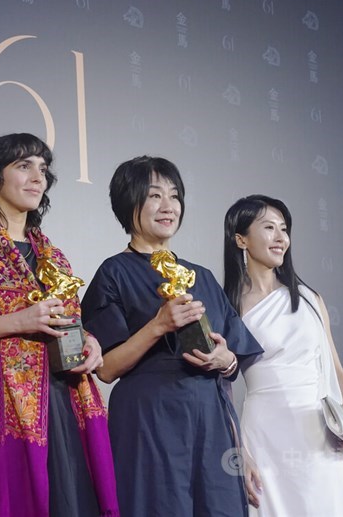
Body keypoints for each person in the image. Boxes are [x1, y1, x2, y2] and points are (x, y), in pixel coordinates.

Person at [0, 133, 119, 517]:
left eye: (43, 169)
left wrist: (91, 343)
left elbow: (70, 322)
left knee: (69, 500)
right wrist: (17, 321)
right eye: (23, 166)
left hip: (62, 398)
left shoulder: (53, 255)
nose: (37, 177)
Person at [80, 155, 263, 516]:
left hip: (210, 419)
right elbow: (106, 368)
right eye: (154, 196)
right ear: (128, 202)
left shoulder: (202, 276)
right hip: (149, 419)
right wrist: (158, 325)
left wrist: (225, 361)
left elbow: (232, 358)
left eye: (175, 196)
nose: (168, 206)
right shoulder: (114, 273)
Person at [223, 194, 343, 516]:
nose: (281, 238)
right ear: (241, 239)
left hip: (317, 432)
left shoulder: (310, 298)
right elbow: (218, 388)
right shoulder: (228, 307)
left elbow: (335, 368)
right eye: (269, 228)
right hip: (263, 433)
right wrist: (239, 452)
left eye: (284, 229)